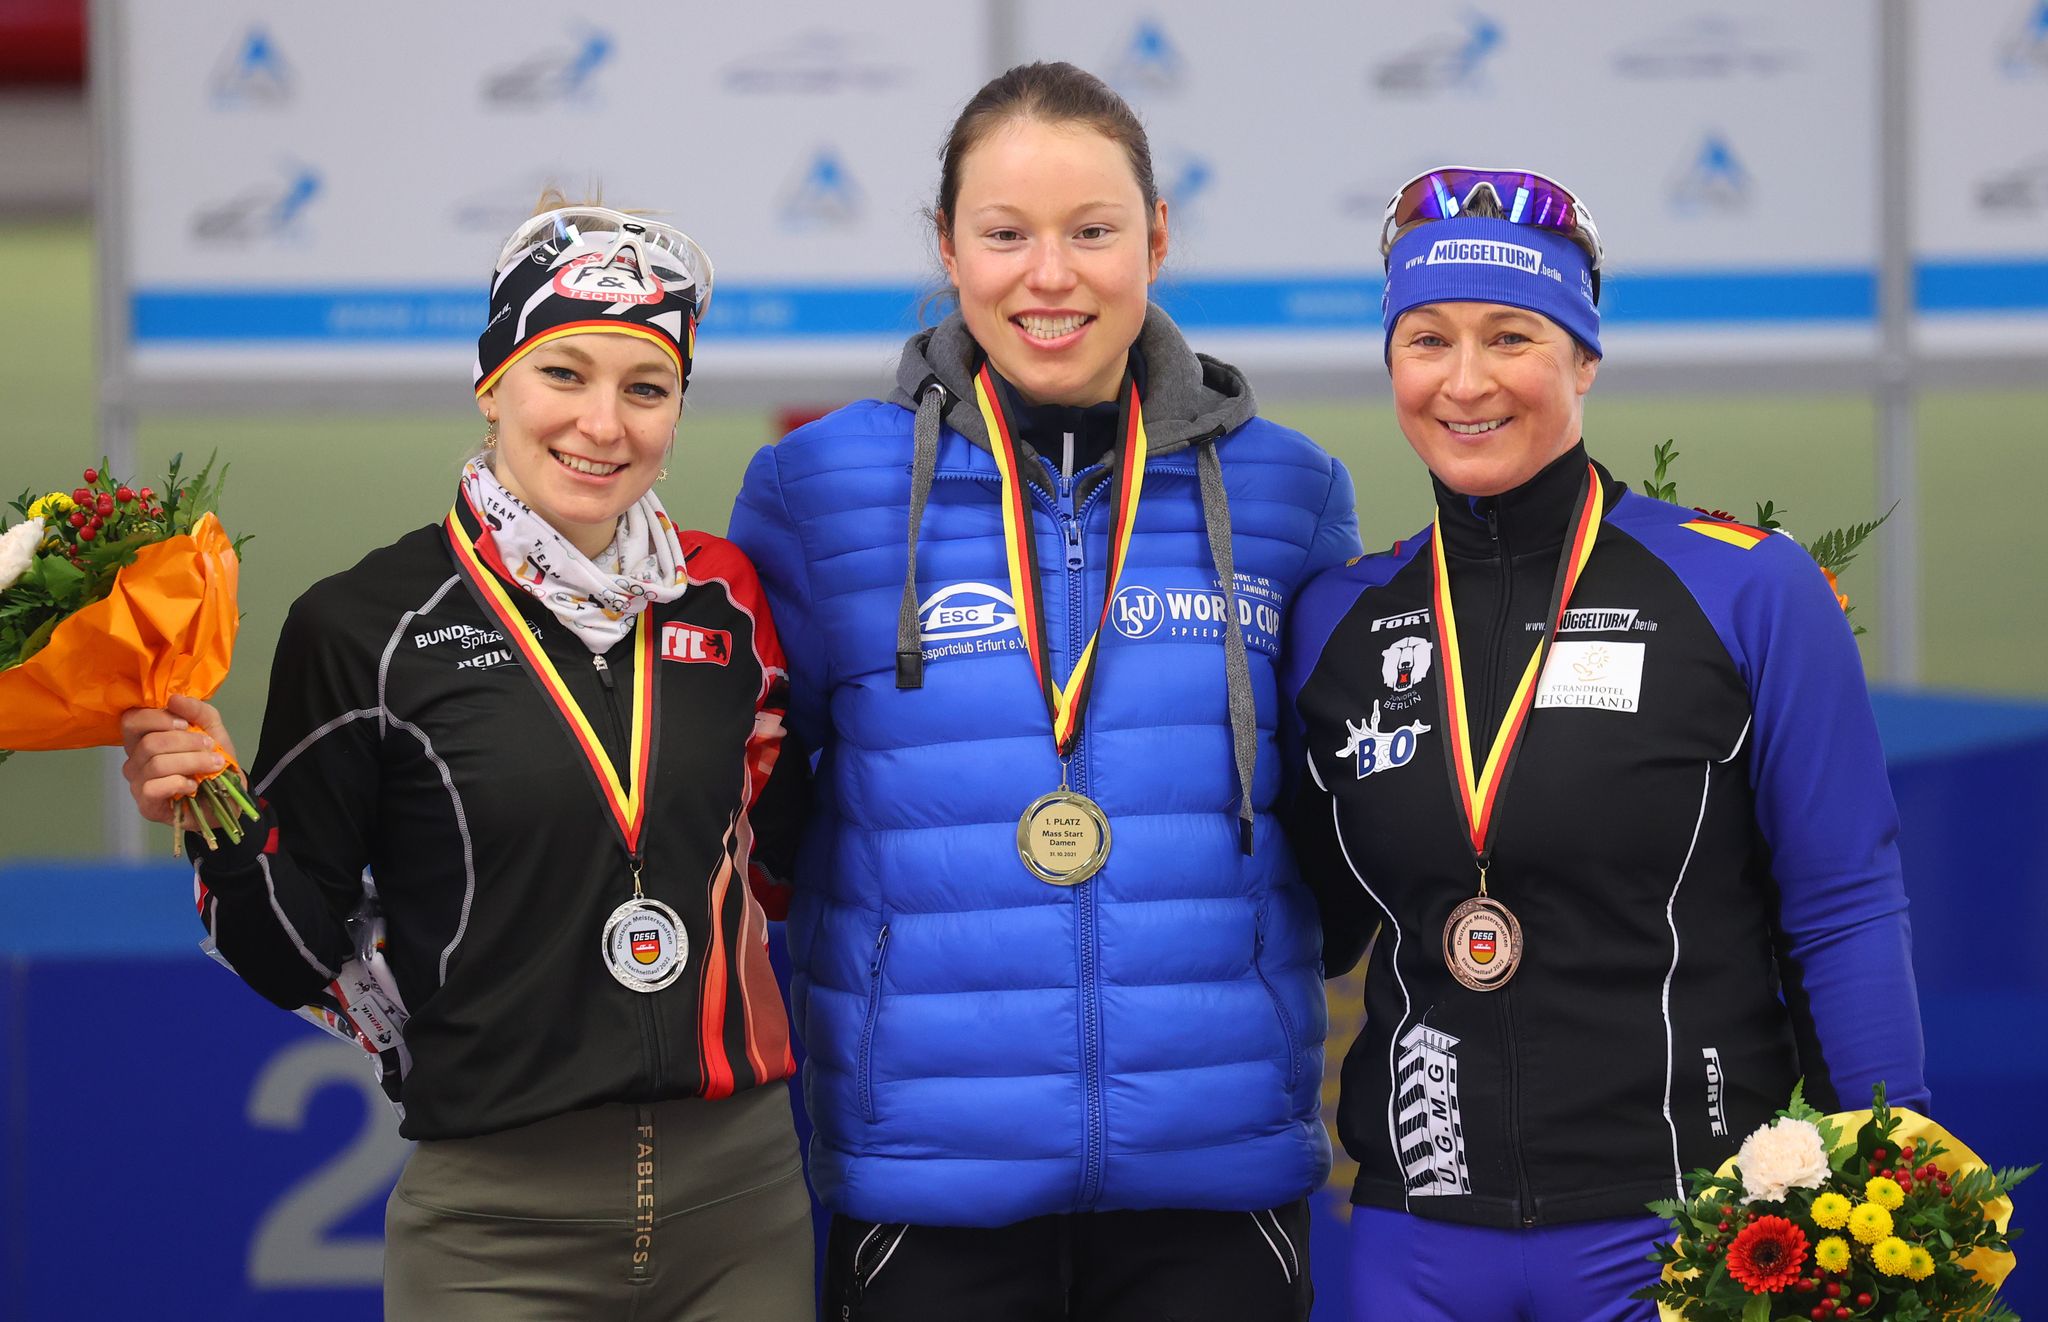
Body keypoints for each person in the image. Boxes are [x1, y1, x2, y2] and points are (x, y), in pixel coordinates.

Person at [728, 61, 1359, 1322]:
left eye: (1092, 231)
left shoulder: (1288, 491)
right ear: (947, 246)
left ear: (1156, 239)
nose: (1049, 276)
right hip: (929, 1181)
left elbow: (1335, 812)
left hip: (1214, 1174)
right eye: (1005, 233)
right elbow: (764, 819)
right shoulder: (814, 490)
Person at [119, 199, 814, 1320]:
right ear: (492, 381)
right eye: (564, 374)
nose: (603, 423)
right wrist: (220, 820)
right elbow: (293, 956)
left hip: (744, 1211)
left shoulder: (726, 600)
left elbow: (788, 855)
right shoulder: (365, 627)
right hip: (496, 1238)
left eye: (646, 388)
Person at [1281, 166, 1928, 1320]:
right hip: (1413, 1242)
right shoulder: (1337, 619)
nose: (1464, 380)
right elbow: (1303, 917)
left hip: (1691, 1232)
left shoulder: (1742, 587)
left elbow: (1842, 901)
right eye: (1426, 339)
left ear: (1582, 357)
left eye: (1510, 336)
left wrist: (1894, 1174)